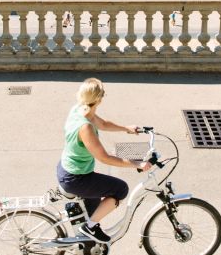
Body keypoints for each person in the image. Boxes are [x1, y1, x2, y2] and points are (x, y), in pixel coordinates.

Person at [56, 78, 151, 243]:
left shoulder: (80, 109)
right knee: (120, 189)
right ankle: (89, 227)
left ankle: (87, 235)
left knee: (94, 206)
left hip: (67, 169)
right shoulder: (84, 127)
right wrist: (137, 164)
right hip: (76, 178)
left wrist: (126, 128)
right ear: (98, 99)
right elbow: (104, 158)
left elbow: (103, 124)